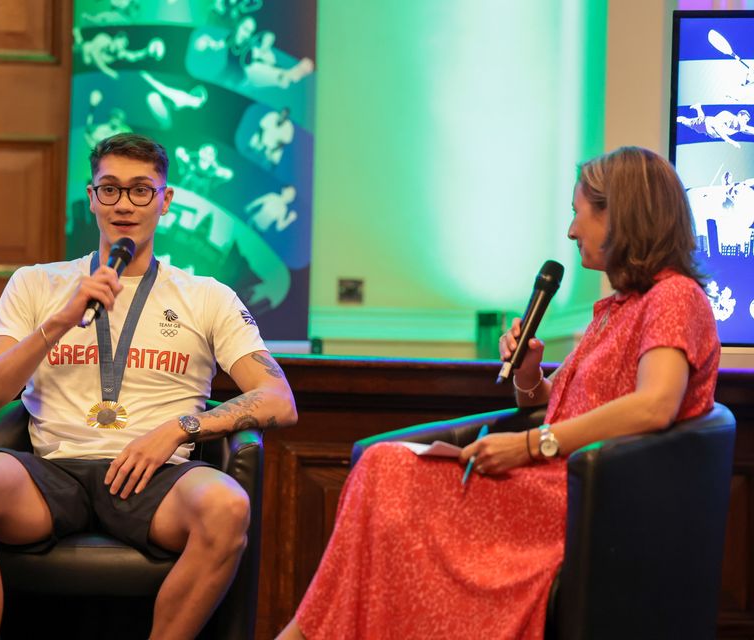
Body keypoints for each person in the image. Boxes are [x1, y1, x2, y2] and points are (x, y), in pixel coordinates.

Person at [277, 146, 720, 640]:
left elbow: (654, 405)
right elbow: (563, 407)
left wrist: (530, 444)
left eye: (579, 214)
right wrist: (529, 374)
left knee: (386, 470)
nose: (572, 231)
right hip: (559, 482)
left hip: (588, 503)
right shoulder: (620, 307)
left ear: (621, 215)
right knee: (383, 468)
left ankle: (306, 634)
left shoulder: (675, 297)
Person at [0, 133, 297, 639]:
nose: (123, 203)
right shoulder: (36, 283)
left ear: (165, 200)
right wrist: (60, 320)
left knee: (228, 504)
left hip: (158, 478)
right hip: (51, 473)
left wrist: (182, 427)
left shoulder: (207, 296)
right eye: (110, 189)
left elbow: (279, 398)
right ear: (92, 197)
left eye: (141, 190)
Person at [676, 104, 754, 148]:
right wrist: (731, 141)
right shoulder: (726, 115)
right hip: (704, 124)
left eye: (747, 120)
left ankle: (698, 107)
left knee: (700, 126)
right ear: (739, 115)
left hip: (711, 133)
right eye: (745, 119)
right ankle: (674, 118)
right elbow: (718, 129)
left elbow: (751, 130)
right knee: (685, 121)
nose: (746, 122)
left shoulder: (742, 127)